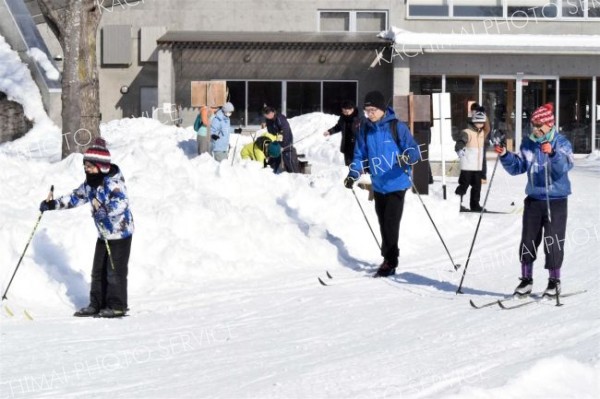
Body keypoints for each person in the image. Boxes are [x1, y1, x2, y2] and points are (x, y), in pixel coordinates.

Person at [39, 138, 134, 318]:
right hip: (104, 234)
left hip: (120, 234)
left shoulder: (113, 182)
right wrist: (52, 205)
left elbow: (122, 202)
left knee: (114, 271)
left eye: (89, 166)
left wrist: (106, 211)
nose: (86, 169)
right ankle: (96, 304)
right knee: (97, 271)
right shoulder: (90, 183)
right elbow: (75, 197)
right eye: (85, 166)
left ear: (101, 166)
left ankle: (117, 305)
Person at [494, 103, 573, 297]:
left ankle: (554, 281)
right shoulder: (528, 143)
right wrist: (505, 155)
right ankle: (526, 280)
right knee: (528, 241)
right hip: (534, 199)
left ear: (549, 125)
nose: (536, 129)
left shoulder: (561, 143)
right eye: (533, 125)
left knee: (553, 241)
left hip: (556, 200)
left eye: (539, 126)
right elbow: (518, 167)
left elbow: (564, 166)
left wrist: (552, 154)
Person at [344, 91, 421, 278]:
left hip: (397, 182)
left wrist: (406, 157)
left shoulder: (397, 127)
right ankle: (387, 256)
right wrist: (353, 173)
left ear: (382, 109)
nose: (369, 113)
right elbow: (359, 155)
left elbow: (414, 150)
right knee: (382, 223)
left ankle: (391, 261)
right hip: (378, 185)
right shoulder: (365, 129)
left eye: (373, 110)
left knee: (390, 224)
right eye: (367, 110)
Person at [453, 109, 487, 212]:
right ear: (473, 121)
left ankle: (475, 205)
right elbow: (460, 142)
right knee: (464, 185)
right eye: (478, 122)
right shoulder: (467, 132)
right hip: (467, 165)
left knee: (477, 187)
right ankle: (456, 204)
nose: (480, 124)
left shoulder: (482, 133)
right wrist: (459, 149)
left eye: (482, 122)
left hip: (477, 166)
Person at [323, 100, 361, 166]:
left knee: (357, 165)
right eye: (343, 111)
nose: (344, 113)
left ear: (352, 109)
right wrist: (330, 131)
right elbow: (338, 126)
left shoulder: (359, 118)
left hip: (357, 145)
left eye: (346, 111)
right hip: (346, 144)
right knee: (348, 164)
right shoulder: (343, 117)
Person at [263, 106, 299, 173]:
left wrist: (283, 144)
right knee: (273, 155)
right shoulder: (268, 120)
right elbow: (270, 131)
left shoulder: (280, 118)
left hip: (286, 140)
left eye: (269, 114)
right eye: (266, 115)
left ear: (273, 112)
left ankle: (295, 173)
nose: (267, 116)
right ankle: (273, 172)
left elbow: (285, 131)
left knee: (288, 158)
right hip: (276, 140)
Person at [469, 103, 491, 184]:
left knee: (482, 159)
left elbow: (487, 129)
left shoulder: (483, 116)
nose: (472, 112)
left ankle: (483, 176)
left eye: (473, 110)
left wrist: (481, 138)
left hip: (482, 142)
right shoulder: (475, 117)